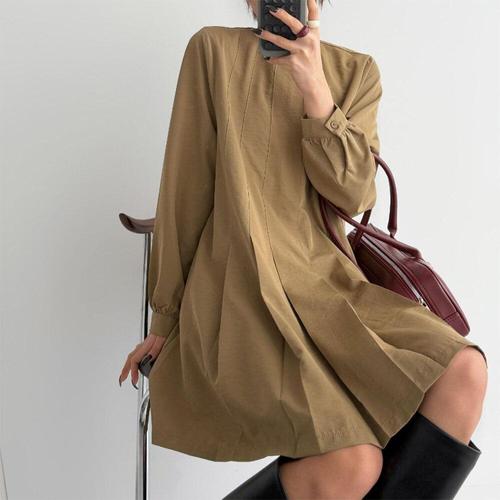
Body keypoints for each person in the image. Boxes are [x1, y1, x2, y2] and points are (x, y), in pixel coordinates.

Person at [119, 1, 489, 498]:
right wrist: (164, 319)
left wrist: (315, 87)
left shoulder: (355, 72)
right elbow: (184, 191)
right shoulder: (212, 51)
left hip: (331, 291)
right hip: (240, 296)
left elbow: (355, 195)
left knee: (464, 371)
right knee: (351, 463)